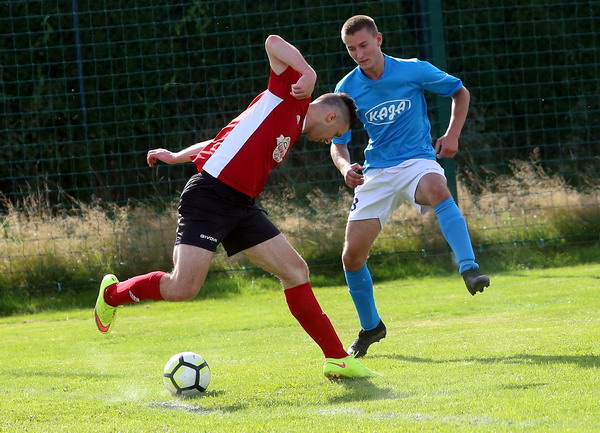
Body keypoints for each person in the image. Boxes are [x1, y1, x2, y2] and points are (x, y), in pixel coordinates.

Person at [93, 35, 380, 380]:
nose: (329, 140)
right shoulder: (290, 94)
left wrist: (178, 156)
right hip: (210, 196)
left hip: (242, 205)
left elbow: (222, 139)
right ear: (332, 116)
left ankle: (336, 358)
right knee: (183, 287)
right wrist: (308, 72)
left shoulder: (291, 127)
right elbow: (273, 43)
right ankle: (112, 294)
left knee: (295, 271)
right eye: (336, 133)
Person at [330, 15, 490, 358]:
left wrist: (452, 134)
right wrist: (345, 167)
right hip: (376, 173)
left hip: (416, 160)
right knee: (351, 257)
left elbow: (459, 92)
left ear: (379, 40)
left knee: (438, 189)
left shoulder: (413, 70)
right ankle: (371, 327)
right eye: (351, 49)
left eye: (364, 45)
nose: (359, 54)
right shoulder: (347, 89)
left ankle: (469, 268)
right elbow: (337, 142)